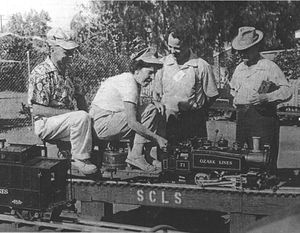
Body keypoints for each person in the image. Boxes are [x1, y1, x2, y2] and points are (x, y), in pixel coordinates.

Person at [28, 27, 97, 175]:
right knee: (81, 117)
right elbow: (37, 110)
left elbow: (79, 97)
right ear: (52, 49)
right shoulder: (41, 73)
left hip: (67, 121)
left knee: (90, 119)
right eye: (67, 51)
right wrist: (76, 115)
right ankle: (80, 159)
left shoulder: (69, 71)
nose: (71, 56)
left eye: (72, 52)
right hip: (46, 124)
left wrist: (88, 116)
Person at [89, 48, 168, 172]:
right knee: (150, 111)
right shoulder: (129, 82)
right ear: (137, 70)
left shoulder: (129, 80)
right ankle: (136, 155)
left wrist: (154, 101)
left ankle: (145, 156)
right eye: (149, 73)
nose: (152, 77)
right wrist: (157, 138)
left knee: (151, 109)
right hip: (101, 125)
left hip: (103, 122)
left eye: (154, 73)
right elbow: (132, 122)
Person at [230, 26, 292, 171]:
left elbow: (287, 90)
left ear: (256, 47)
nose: (242, 53)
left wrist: (267, 97)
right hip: (242, 118)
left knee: (264, 160)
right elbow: (233, 90)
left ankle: (268, 189)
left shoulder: (269, 66)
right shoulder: (239, 68)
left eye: (247, 50)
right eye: (241, 50)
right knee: (241, 158)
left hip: (263, 119)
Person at [152, 31, 219, 144]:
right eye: (170, 47)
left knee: (193, 156)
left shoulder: (201, 65)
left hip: (193, 121)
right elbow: (156, 96)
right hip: (168, 122)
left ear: (188, 45)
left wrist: (197, 108)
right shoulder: (162, 64)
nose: (173, 51)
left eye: (177, 48)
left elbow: (212, 95)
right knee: (168, 157)